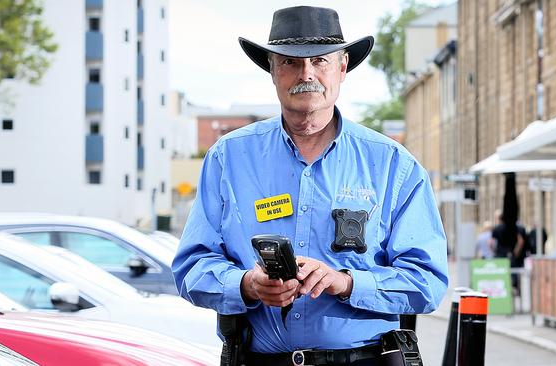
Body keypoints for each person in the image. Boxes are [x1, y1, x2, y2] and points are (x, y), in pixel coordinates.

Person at [172, 6, 448, 365]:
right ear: (271, 69)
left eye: (320, 61)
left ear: (343, 67)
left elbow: (427, 282)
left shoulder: (393, 165)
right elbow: (191, 267)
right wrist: (246, 285)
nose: (306, 73)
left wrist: (346, 283)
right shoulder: (229, 158)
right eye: (290, 62)